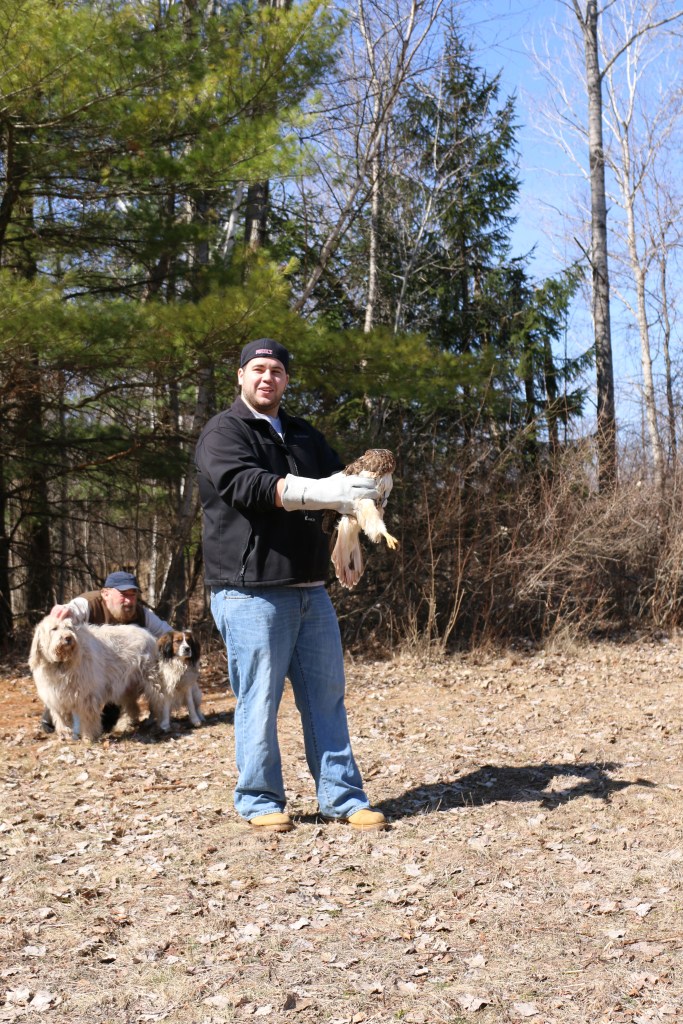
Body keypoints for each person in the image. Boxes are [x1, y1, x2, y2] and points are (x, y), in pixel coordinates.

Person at [195, 338, 388, 833]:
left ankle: (343, 799)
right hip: (249, 590)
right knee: (259, 699)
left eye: (277, 371)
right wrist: (324, 490)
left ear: (286, 380)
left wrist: (351, 535)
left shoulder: (304, 435)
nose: (267, 378)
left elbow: (344, 489)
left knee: (326, 697)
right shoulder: (224, 432)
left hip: (310, 588)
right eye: (257, 369)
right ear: (240, 376)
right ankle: (260, 802)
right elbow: (249, 486)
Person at [41, 571, 173, 733]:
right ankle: (53, 717)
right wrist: (65, 610)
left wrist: (186, 650)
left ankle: (147, 717)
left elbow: (169, 634)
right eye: (123, 594)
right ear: (105, 593)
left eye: (133, 595)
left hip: (114, 677)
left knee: (106, 725)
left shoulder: (142, 614)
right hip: (77, 676)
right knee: (51, 724)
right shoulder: (89, 603)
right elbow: (72, 610)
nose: (129, 601)